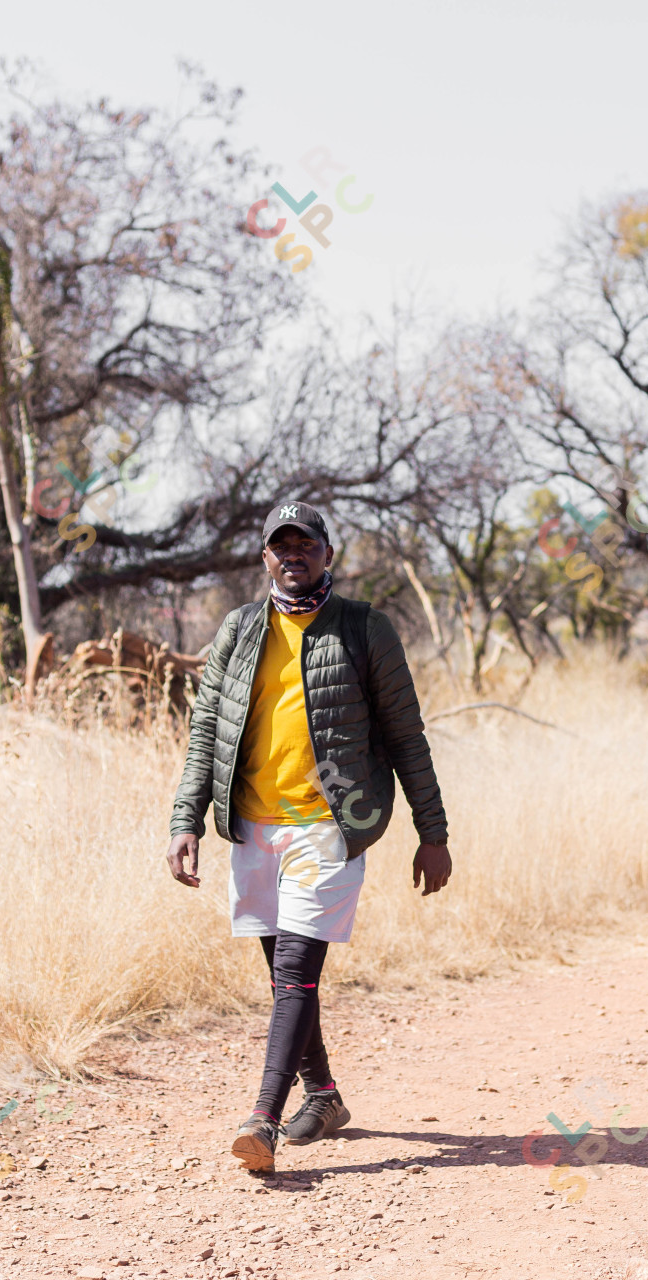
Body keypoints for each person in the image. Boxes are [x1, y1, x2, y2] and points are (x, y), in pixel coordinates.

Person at [165, 500, 451, 1173]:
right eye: (280, 545)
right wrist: (185, 820)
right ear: (265, 557)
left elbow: (406, 735)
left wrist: (431, 832)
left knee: (295, 973)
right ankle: (321, 1095)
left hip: (331, 824)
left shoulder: (363, 629)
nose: (293, 554)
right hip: (254, 826)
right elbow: (206, 731)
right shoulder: (239, 632)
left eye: (306, 544)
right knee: (285, 980)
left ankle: (261, 1120)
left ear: (327, 553)